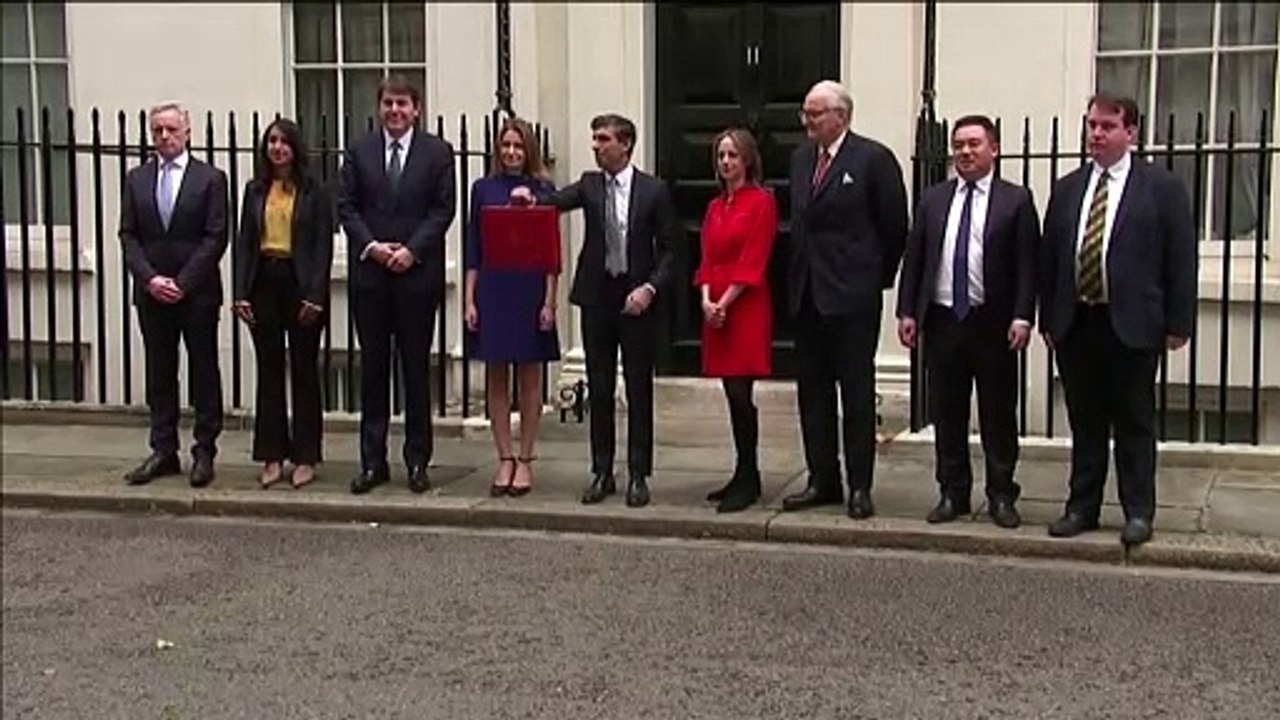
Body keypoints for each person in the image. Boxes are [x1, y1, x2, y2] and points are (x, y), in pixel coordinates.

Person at [1040, 92, 1196, 546]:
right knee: (1084, 421)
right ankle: (1082, 507)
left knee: (1134, 422)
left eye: (1107, 126)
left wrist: (1178, 322)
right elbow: (1051, 257)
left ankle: (1138, 512)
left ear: (1130, 133)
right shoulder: (1068, 188)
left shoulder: (1161, 188)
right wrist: (1049, 317)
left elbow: (1180, 259)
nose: (1096, 134)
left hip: (1132, 324)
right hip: (1078, 321)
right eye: (1092, 125)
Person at [511, 113, 677, 508]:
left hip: (637, 297)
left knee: (638, 388)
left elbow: (672, 250)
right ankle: (601, 470)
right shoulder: (589, 185)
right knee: (599, 387)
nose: (596, 146)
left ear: (626, 145)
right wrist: (532, 199)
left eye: (604, 139)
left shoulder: (653, 191)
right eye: (595, 139)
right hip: (598, 296)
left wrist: (650, 288)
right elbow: (557, 201)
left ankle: (638, 473)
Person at [895, 114, 1041, 529]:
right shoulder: (933, 199)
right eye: (958, 145)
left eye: (974, 144)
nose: (964, 151)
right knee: (947, 411)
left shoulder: (1016, 200)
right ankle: (952, 492)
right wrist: (909, 311)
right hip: (944, 321)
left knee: (997, 413)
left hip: (992, 323)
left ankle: (1001, 494)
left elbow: (1028, 264)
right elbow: (916, 258)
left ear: (993, 149)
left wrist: (1022, 316)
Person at [780, 80, 909, 520]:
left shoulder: (872, 159)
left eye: (815, 114)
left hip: (852, 297)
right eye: (805, 113)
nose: (807, 121)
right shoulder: (800, 159)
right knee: (812, 393)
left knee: (855, 393)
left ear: (842, 115)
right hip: (807, 294)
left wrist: (874, 277)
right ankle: (823, 478)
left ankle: (860, 485)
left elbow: (895, 227)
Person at [337, 74, 457, 495]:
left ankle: (418, 460)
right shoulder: (359, 150)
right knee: (372, 371)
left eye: (403, 104)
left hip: (416, 278)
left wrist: (411, 251)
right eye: (388, 103)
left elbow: (443, 210)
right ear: (379, 107)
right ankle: (373, 463)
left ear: (416, 109)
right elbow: (346, 206)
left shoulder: (437, 152)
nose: (395, 111)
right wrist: (372, 247)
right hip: (371, 277)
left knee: (415, 371)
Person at [118, 101, 229, 488]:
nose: (164, 137)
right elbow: (128, 235)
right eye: (157, 131)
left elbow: (216, 236)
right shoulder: (136, 179)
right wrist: (150, 279)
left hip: (196, 294)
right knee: (160, 372)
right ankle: (163, 449)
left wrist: (183, 281)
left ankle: (204, 451)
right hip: (152, 294)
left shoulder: (210, 179)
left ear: (187, 132)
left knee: (203, 371)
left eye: (171, 130)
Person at [232, 118, 335, 490]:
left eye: (283, 141)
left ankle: (306, 456)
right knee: (269, 371)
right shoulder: (255, 190)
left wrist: (316, 295)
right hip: (264, 282)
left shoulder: (314, 191)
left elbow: (322, 246)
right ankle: (271, 456)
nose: (277, 148)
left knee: (305, 372)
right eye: (271, 141)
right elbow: (244, 242)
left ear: (296, 147)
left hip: (300, 282)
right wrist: (241, 293)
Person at [464, 117, 561, 497]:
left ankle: (526, 458)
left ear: (529, 150)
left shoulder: (543, 189)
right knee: (497, 374)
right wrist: (470, 299)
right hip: (494, 285)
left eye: (518, 146)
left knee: (530, 375)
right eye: (505, 145)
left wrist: (550, 301)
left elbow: (552, 251)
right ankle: (503, 456)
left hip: (530, 286)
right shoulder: (482, 188)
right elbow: (474, 246)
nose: (511, 152)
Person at [694, 128, 777, 513]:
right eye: (721, 156)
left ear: (746, 159)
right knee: (730, 391)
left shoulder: (760, 202)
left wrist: (725, 302)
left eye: (732, 155)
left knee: (742, 393)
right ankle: (742, 472)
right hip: (716, 306)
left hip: (745, 304)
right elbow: (707, 258)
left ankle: (750, 474)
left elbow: (753, 259)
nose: (726, 162)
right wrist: (707, 299)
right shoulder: (715, 206)